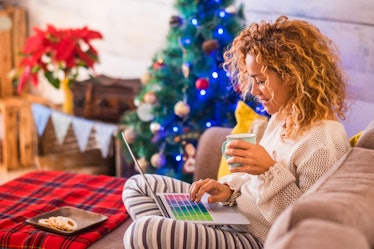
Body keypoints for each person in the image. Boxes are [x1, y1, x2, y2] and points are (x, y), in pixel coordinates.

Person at [122, 15, 351, 248]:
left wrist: (269, 171)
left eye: (260, 81)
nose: (253, 91)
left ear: (292, 77)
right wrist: (228, 189)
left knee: (143, 231)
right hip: (231, 215)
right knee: (138, 186)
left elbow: (303, 225)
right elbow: (251, 183)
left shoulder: (324, 141)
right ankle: (179, 237)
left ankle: (175, 236)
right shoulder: (284, 116)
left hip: (255, 238)